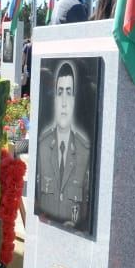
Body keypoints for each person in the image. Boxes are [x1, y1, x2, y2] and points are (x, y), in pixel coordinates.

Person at [35, 60, 92, 229]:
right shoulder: (43, 144)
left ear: (75, 99)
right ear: (54, 97)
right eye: (60, 92)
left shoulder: (84, 149)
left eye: (69, 92)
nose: (64, 102)